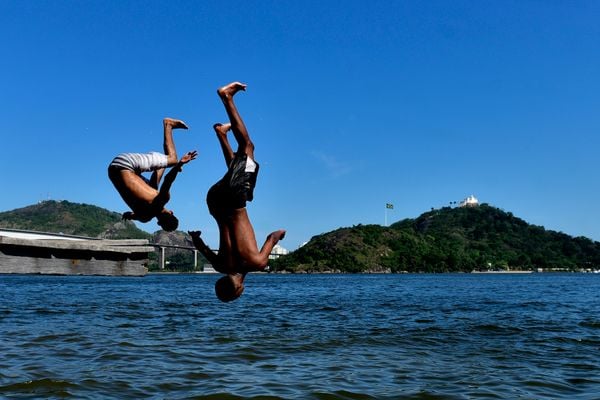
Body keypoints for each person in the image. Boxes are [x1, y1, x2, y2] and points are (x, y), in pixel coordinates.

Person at [189, 82, 285, 302]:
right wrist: (195, 237)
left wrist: (281, 234)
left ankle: (227, 97)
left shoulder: (256, 263)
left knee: (247, 147)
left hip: (235, 201)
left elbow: (273, 236)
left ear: (240, 290)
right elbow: (199, 246)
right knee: (237, 169)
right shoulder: (219, 265)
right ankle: (222, 134)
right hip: (214, 201)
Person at [108, 118, 197, 231]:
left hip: (125, 163)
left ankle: (168, 125)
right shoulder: (144, 217)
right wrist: (129, 215)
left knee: (172, 160)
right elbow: (130, 215)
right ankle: (164, 162)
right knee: (154, 185)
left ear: (171, 212)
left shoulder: (162, 199)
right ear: (159, 223)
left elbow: (168, 179)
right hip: (112, 172)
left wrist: (179, 165)